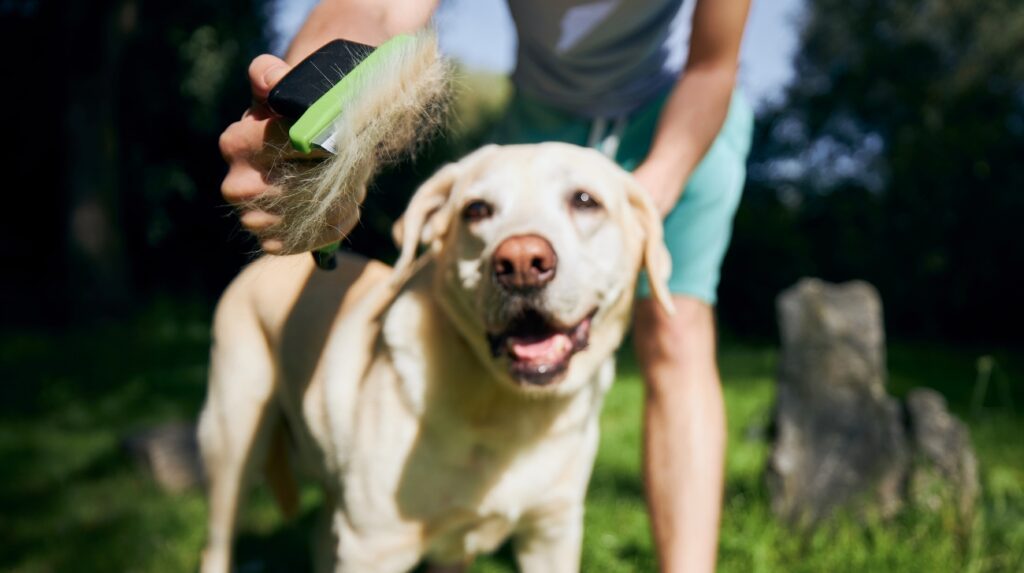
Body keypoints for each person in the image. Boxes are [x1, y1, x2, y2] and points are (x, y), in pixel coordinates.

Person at [218, 1, 752, 571]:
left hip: (677, 111)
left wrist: (637, 204)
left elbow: (713, 66)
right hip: (542, 115)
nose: (522, 258)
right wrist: (298, 121)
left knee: (679, 331)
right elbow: (376, 8)